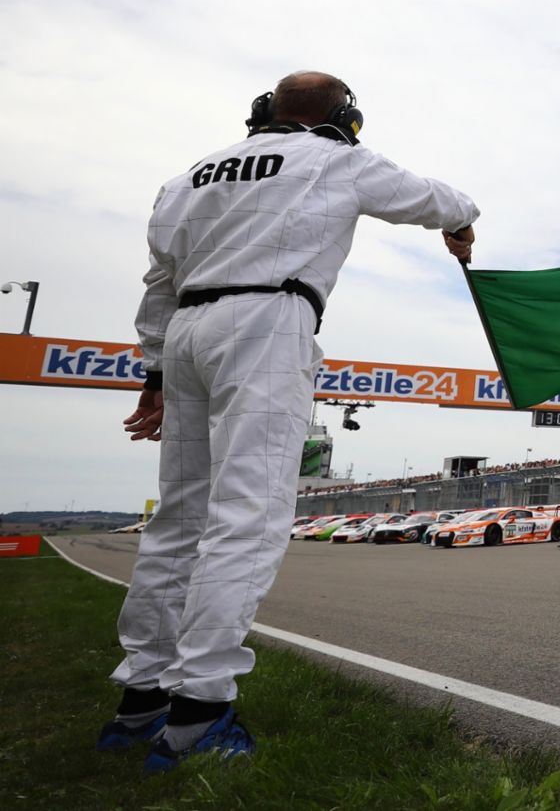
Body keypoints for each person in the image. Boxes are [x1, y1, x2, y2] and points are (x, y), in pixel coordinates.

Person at [102, 71, 479, 773]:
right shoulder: (336, 157)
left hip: (185, 334)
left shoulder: (185, 179)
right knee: (247, 513)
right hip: (268, 319)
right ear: (346, 119)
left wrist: (154, 375)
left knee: (179, 519)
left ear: (261, 111)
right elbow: (446, 200)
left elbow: (157, 287)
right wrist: (460, 224)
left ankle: (140, 699)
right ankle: (199, 711)